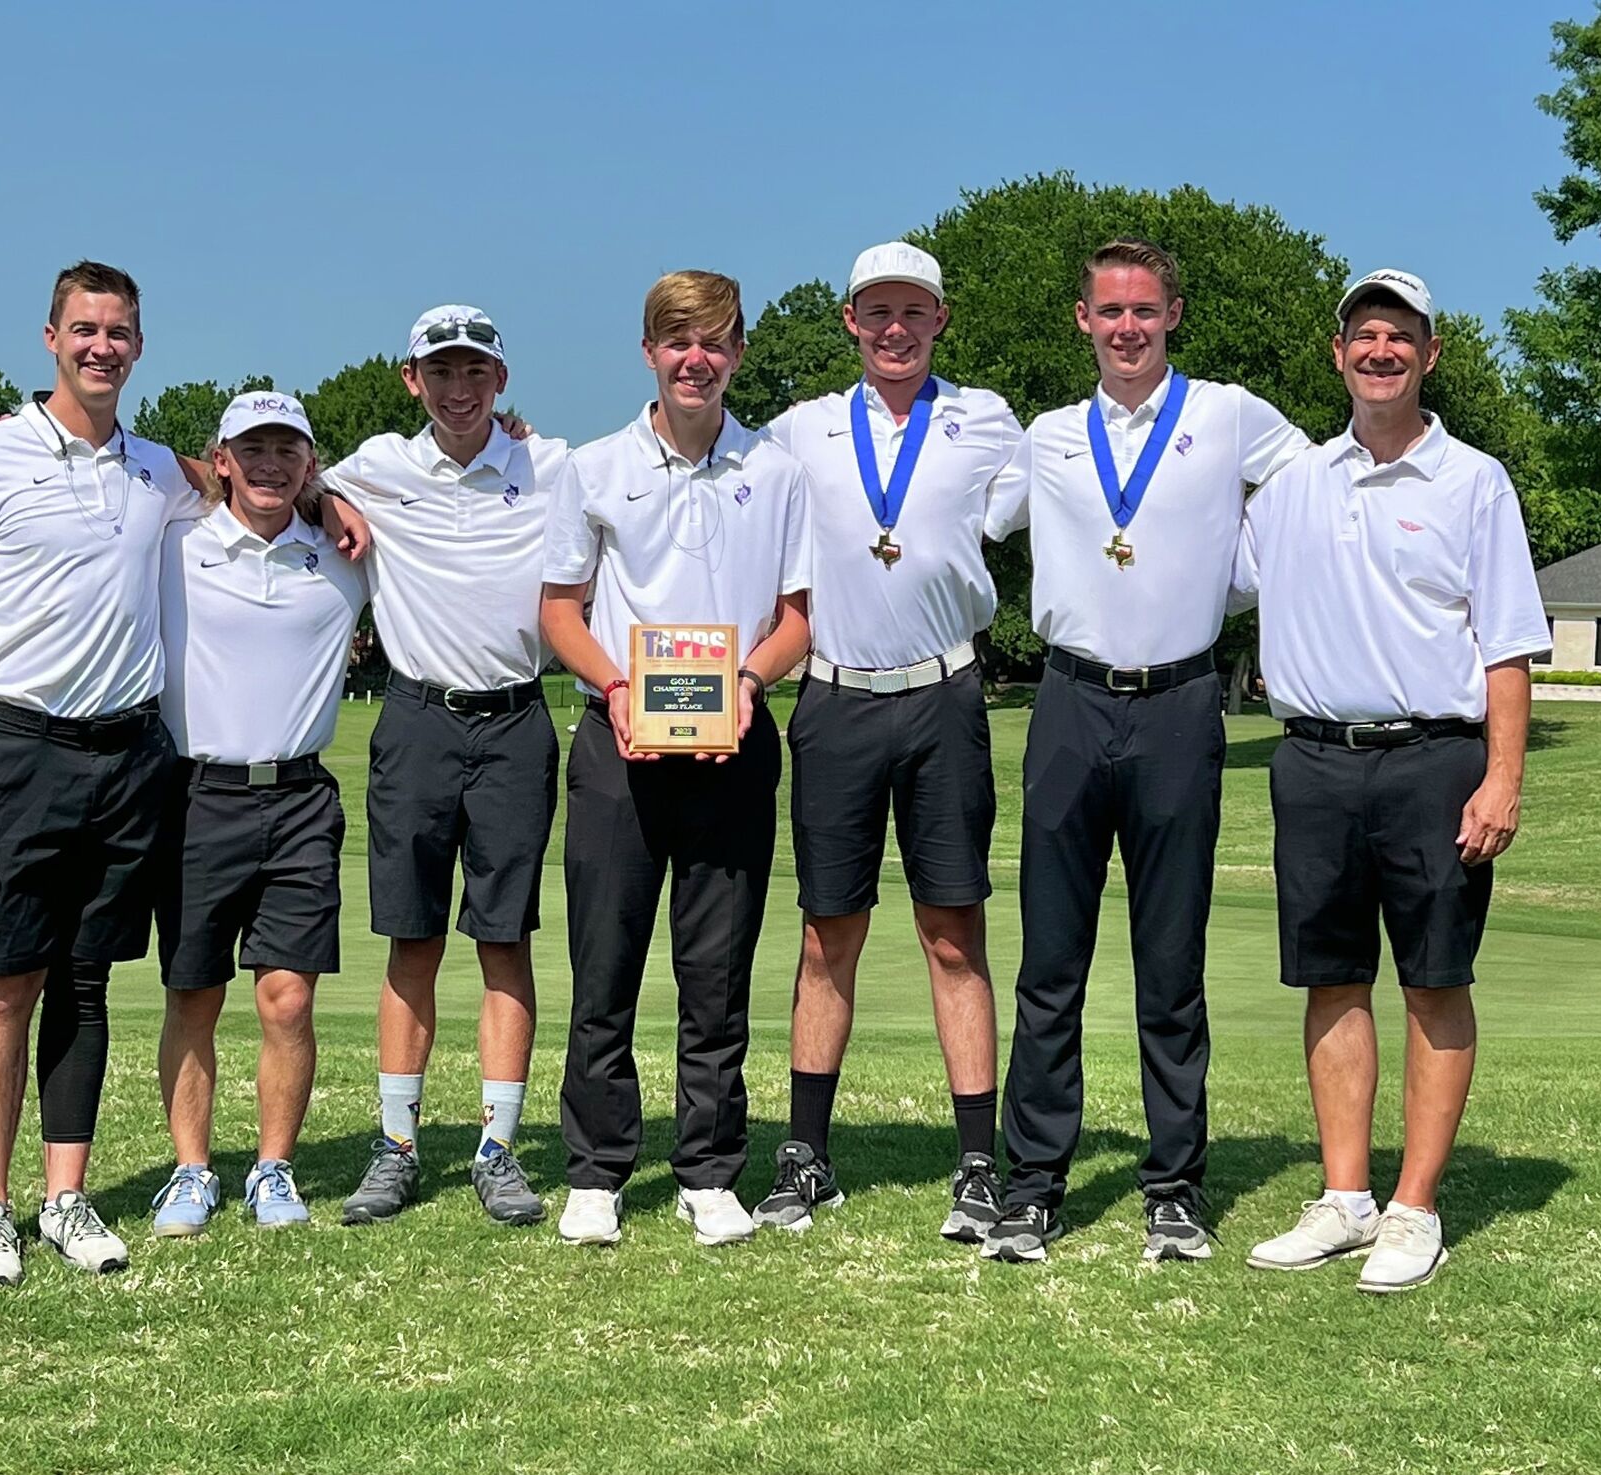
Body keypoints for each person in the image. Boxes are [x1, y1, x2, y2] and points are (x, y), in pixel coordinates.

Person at [980, 239, 1309, 1264]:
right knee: (1050, 962)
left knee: (1169, 963)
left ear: (1173, 314)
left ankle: (1173, 1185)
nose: (1126, 328)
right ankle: (1030, 1184)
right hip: (1069, 703)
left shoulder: (1228, 413)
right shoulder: (1046, 436)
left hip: (1177, 706)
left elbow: (1311, 489)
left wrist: (1236, 572)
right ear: (1080, 319)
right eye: (1108, 311)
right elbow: (962, 517)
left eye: (1144, 311)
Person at [1237, 269, 1549, 1292]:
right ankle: (1343, 1197)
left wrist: (1501, 776)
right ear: (1336, 354)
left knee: (1432, 979)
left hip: (1432, 760)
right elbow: (1197, 570)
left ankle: (1412, 1207)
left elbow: (1506, 643)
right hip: (1314, 758)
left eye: (1398, 336)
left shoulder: (1474, 480)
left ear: (1428, 354)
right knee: (1330, 977)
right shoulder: (1290, 482)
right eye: (1362, 334)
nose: (1379, 351)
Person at [0, 261, 199, 1285]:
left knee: (84, 980)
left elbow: (249, 485)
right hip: (14, 746)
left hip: (127, 755)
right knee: (4, 984)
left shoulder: (158, 470)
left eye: (118, 331)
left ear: (140, 345)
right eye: (84, 329)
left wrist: (328, 495)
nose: (101, 346)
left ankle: (65, 1196)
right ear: (49, 337)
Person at [749, 243, 1022, 1240]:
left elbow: (1070, 490)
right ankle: (805, 1152)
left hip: (942, 693)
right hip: (833, 697)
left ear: (939, 319)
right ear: (849, 321)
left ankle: (979, 1163)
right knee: (829, 931)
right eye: (876, 312)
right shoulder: (797, 429)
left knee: (951, 932)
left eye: (913, 311)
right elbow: (703, 463)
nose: (894, 327)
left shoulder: (987, 418)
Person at [541, 270, 812, 1248]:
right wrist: (616, 687)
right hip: (616, 744)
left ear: (736, 352)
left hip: (734, 741)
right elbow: (558, 612)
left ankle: (706, 1170)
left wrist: (748, 681)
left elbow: (796, 621)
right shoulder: (591, 466)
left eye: (714, 340)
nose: (695, 357)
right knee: (603, 965)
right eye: (676, 339)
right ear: (649, 350)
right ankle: (597, 1171)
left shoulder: (774, 470)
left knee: (715, 973)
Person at [322, 307, 569, 1228]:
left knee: (503, 938)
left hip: (515, 721)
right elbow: (250, 478)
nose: (459, 389)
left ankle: (499, 1147)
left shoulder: (551, 466)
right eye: (442, 372)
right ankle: (396, 1148)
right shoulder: (376, 466)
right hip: (417, 717)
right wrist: (329, 501)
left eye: (476, 373)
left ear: (501, 382)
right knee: (413, 938)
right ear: (411, 378)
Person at [147, 391, 367, 1236]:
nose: (271, 464)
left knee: (287, 999)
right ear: (223, 458)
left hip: (303, 798)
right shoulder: (177, 543)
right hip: (199, 795)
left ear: (311, 463)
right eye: (253, 448)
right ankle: (193, 1169)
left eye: (289, 449)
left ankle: (273, 1168)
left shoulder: (345, 552)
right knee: (193, 992)